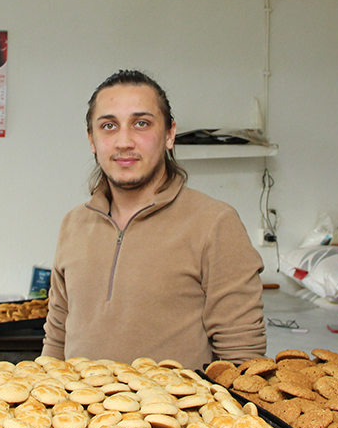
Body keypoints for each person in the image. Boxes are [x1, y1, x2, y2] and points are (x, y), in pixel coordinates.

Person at [42, 70, 266, 369]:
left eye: (141, 124)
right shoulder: (74, 224)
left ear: (170, 134)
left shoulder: (215, 223)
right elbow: (57, 336)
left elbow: (242, 358)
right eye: (109, 126)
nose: (124, 141)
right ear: (92, 140)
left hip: (177, 415)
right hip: (79, 413)